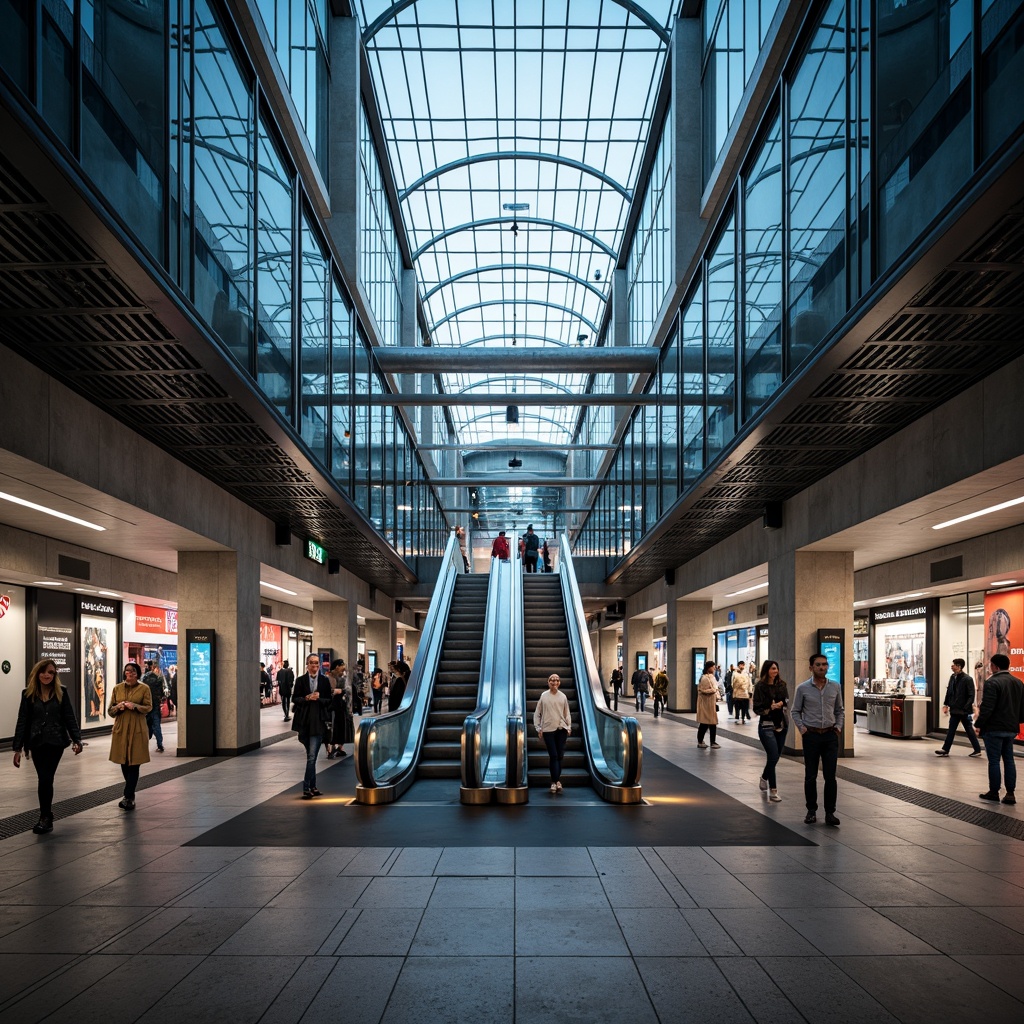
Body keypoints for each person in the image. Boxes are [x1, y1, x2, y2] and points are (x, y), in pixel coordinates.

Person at [12, 658, 84, 834]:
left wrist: (77, 739)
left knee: (45, 778)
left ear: (55, 675)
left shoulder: (61, 692)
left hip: (55, 742)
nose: (47, 675)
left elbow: (69, 717)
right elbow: (23, 720)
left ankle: (45, 817)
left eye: (51, 672)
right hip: (36, 742)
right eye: (44, 672)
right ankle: (46, 815)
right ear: (37, 674)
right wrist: (17, 748)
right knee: (43, 778)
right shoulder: (28, 694)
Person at [791, 653, 844, 826]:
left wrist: (838, 727)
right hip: (811, 736)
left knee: (830, 776)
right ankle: (811, 811)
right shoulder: (802, 688)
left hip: (830, 735)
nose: (822, 668)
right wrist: (803, 729)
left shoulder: (835, 687)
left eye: (825, 665)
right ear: (811, 667)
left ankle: (830, 813)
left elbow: (839, 710)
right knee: (810, 775)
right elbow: (795, 711)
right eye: (819, 665)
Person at [975, 653, 1024, 805]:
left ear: (995, 666)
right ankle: (1010, 794)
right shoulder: (1018, 682)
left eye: (990, 665)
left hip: (994, 728)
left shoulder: (992, 682)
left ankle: (994, 792)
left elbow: (988, 708)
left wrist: (979, 724)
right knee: (1009, 760)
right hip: (1010, 728)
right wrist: (1016, 721)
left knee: (994, 760)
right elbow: (1022, 707)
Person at [108, 662, 152, 811]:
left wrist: (135, 706)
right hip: (121, 730)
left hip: (137, 729)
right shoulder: (117, 688)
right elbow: (110, 711)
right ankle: (130, 794)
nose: (129, 674)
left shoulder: (144, 689)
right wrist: (119, 707)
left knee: (134, 762)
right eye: (127, 671)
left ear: (138, 673)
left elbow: (148, 707)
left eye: (133, 671)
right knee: (123, 761)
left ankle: (128, 795)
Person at [292, 654, 332, 798]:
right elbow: (294, 698)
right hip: (304, 722)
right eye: (311, 663)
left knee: (311, 756)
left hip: (318, 723)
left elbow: (329, 701)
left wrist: (319, 699)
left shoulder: (324, 681)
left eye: (317, 663)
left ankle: (307, 787)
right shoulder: (301, 680)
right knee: (312, 756)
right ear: (307, 664)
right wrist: (307, 698)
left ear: (319, 665)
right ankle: (313, 786)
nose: (314, 666)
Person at [753, 660, 789, 802]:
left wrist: (781, 703)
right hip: (766, 725)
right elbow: (757, 708)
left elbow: (786, 699)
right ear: (767, 670)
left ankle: (764, 777)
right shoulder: (760, 686)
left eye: (777, 669)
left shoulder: (782, 684)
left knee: (776, 757)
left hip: (781, 724)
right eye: (773, 669)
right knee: (773, 756)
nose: (775, 671)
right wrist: (770, 707)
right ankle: (773, 791)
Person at [935, 658, 982, 757]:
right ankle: (945, 749)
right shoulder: (952, 677)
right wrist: (946, 704)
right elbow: (949, 692)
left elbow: (971, 695)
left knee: (968, 730)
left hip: (963, 710)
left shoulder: (967, 679)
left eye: (954, 665)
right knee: (952, 730)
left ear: (959, 666)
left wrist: (966, 707)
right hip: (954, 709)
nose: (952, 666)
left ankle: (977, 749)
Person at [534, 673, 571, 793]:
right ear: (548, 682)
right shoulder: (544, 696)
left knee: (560, 755)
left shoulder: (563, 696)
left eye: (557, 680)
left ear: (559, 682)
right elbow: (537, 713)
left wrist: (569, 726)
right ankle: (554, 782)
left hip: (562, 729)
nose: (555, 682)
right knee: (553, 755)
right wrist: (538, 728)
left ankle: (556, 781)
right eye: (552, 680)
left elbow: (567, 713)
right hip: (548, 729)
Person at [327, 659, 354, 759]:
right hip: (332, 707)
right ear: (337, 666)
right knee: (332, 727)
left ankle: (340, 747)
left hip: (341, 707)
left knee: (341, 726)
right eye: (342, 666)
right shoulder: (329, 678)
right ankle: (331, 747)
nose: (344, 668)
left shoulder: (343, 677)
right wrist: (335, 691)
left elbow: (348, 691)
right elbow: (327, 691)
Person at [696, 661, 722, 749]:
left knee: (710, 723)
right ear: (708, 668)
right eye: (713, 667)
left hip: (710, 704)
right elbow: (702, 690)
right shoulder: (705, 678)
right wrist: (714, 690)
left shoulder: (710, 677)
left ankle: (710, 741)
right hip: (706, 704)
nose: (714, 668)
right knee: (706, 723)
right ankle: (704, 741)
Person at [142, 661, 166, 753]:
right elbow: (161, 692)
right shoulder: (158, 679)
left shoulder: (144, 678)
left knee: (147, 725)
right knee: (157, 726)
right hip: (155, 705)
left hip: (147, 705)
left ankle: (143, 744)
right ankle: (160, 745)